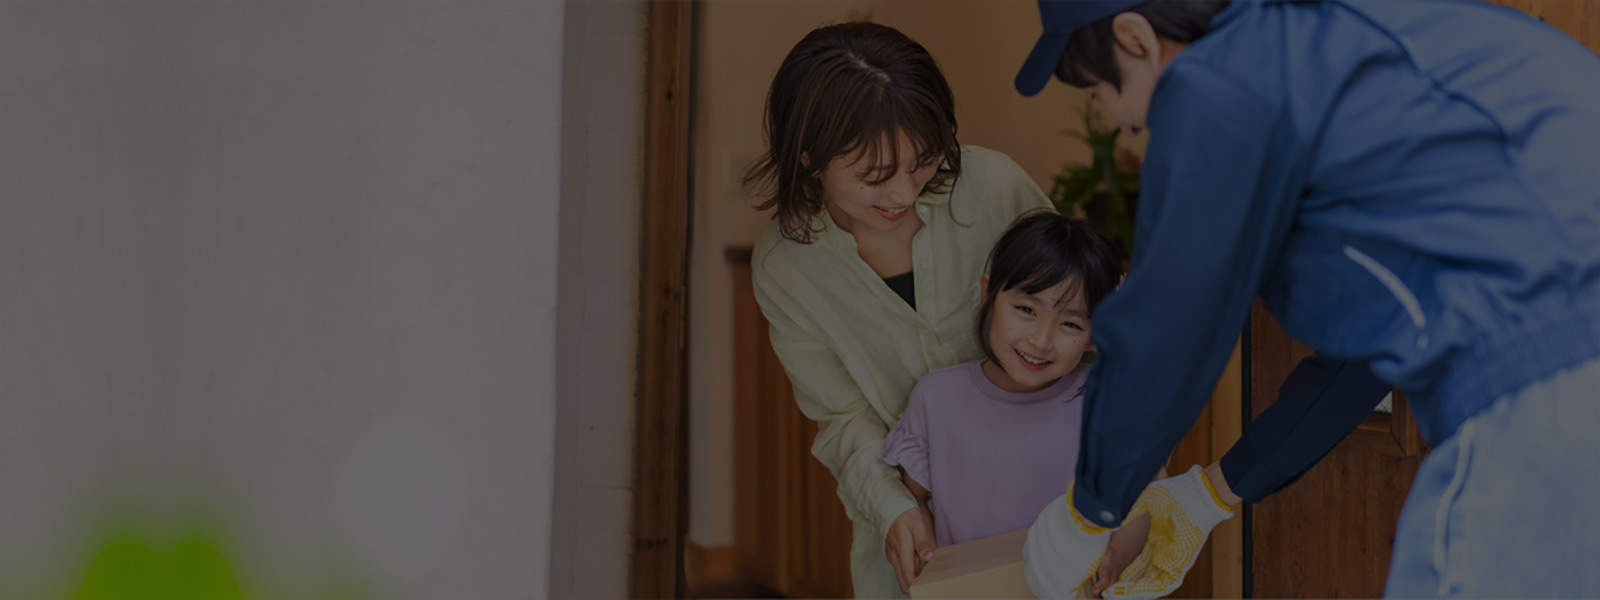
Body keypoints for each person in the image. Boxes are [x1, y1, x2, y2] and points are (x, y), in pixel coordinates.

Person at [1011, 0, 1600, 597]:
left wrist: (1085, 516)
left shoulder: (1221, 78)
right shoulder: (1346, 49)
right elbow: (1368, 351)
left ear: (1136, 38)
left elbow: (1168, 325)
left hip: (1546, 396)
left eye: (1099, 94)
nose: (1125, 125)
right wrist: (1211, 492)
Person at [747, 21, 1056, 597]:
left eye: (922, 162)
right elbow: (842, 417)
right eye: (873, 176)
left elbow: (1074, 322)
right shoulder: (785, 265)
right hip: (917, 536)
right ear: (810, 157)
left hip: (1047, 508)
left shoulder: (993, 186)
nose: (903, 194)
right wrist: (891, 510)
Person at [882, 212, 1161, 595]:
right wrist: (934, 571)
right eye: (1026, 310)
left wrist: (1118, 554)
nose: (1041, 340)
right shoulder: (935, 398)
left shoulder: (1106, 400)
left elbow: (1145, 499)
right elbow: (916, 500)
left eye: (1071, 324)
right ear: (988, 295)